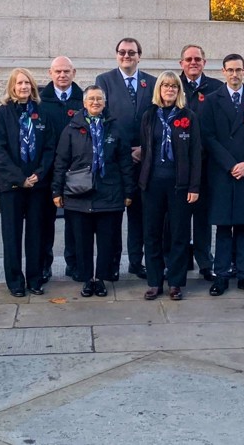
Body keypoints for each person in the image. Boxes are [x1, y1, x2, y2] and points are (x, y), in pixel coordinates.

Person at [52, 86, 135, 298]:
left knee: (107, 241)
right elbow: (61, 161)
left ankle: (101, 279)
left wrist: (128, 191)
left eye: (99, 99)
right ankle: (87, 278)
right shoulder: (72, 128)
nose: (95, 102)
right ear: (84, 102)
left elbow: (125, 162)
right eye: (91, 99)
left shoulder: (115, 128)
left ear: (105, 103)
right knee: (82, 241)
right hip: (79, 194)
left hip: (109, 193)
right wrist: (57, 191)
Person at [200, 53, 244, 297]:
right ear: (222, 72)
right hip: (222, 172)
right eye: (229, 70)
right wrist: (231, 164)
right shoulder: (211, 100)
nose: (234, 74)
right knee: (223, 227)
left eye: (238, 70)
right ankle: (221, 275)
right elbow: (208, 136)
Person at [0, 67, 56, 297]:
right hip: (12, 185)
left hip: (38, 185)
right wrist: (20, 178)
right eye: (19, 83)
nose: (24, 87)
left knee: (37, 234)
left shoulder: (42, 112)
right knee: (12, 234)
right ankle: (15, 281)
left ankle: (35, 279)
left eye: (27, 83)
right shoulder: (2, 114)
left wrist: (38, 174)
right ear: (12, 87)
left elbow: (49, 148)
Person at [95, 37, 156, 279]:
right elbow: (104, 117)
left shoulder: (151, 82)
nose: (126, 56)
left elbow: (155, 117)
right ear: (116, 55)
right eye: (122, 52)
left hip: (145, 157)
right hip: (116, 158)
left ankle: (135, 261)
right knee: (112, 215)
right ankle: (111, 264)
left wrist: (144, 148)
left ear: (139, 55)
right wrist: (123, 151)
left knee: (139, 215)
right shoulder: (104, 81)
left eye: (132, 52)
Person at [139, 70, 202, 300]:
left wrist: (194, 187)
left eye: (174, 86)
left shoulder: (189, 116)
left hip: (180, 186)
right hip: (153, 184)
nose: (169, 90)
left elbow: (196, 154)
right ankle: (155, 282)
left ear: (179, 90)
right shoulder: (150, 115)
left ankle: (175, 282)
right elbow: (146, 150)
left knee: (179, 234)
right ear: (159, 89)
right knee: (152, 233)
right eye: (165, 86)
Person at [39, 55, 85, 279]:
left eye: (66, 71)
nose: (62, 75)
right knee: (45, 219)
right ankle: (44, 264)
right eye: (57, 71)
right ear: (50, 74)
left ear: (73, 73)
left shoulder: (83, 100)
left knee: (75, 220)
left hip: (76, 170)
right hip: (48, 169)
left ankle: (74, 263)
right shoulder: (41, 101)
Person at [178, 44, 221, 280]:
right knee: (178, 217)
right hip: (180, 166)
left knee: (203, 218)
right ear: (181, 63)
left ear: (204, 62)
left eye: (197, 58)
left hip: (207, 165)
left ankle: (205, 262)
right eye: (188, 59)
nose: (193, 62)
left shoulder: (215, 88)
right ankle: (180, 260)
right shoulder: (172, 86)